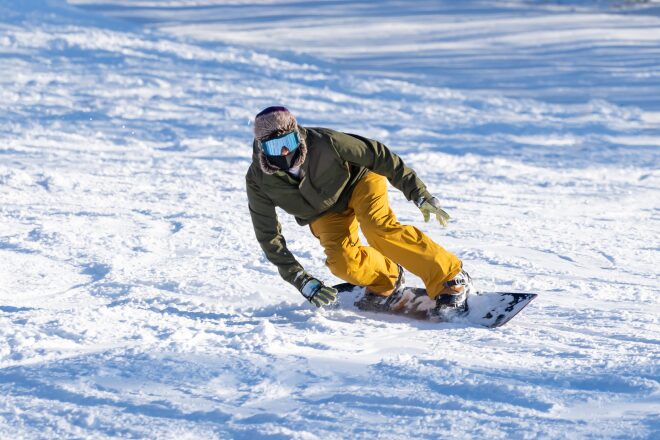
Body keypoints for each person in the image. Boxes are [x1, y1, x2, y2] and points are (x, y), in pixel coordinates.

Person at [245, 106, 473, 315]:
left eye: (290, 141)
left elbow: (378, 155)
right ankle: (386, 280)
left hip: (359, 183)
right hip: (324, 212)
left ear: (297, 134)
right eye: (276, 146)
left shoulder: (325, 142)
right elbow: (268, 235)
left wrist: (417, 191)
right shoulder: (258, 180)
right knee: (342, 262)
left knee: (378, 228)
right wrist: (300, 279)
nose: (285, 151)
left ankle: (450, 277)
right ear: (262, 146)